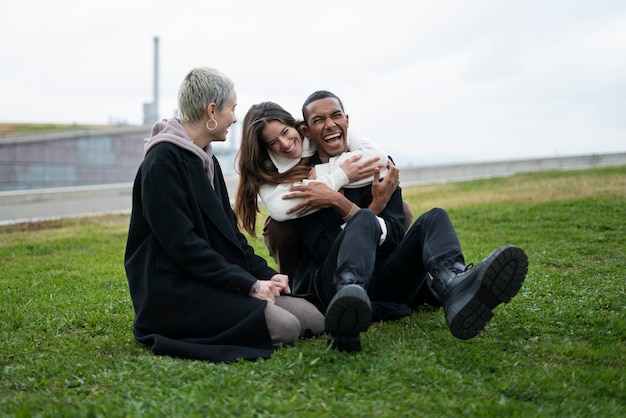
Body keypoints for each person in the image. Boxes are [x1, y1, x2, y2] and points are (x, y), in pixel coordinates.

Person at [270, 90, 529, 352]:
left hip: (386, 278)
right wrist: (363, 210)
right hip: (331, 282)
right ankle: (348, 299)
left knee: (434, 216)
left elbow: (394, 234)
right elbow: (323, 248)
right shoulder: (304, 180)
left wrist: (349, 208)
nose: (330, 125)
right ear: (307, 131)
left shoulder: (378, 164)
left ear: (346, 120)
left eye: (336, 115)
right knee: (364, 219)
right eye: (319, 120)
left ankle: (453, 283)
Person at [123, 67, 324, 363]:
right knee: (287, 327)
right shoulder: (162, 162)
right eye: (232, 108)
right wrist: (248, 286)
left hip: (211, 279)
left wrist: (267, 276)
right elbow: (183, 247)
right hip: (174, 290)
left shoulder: (207, 160)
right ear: (212, 110)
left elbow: (231, 239)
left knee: (314, 319)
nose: (234, 117)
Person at [235, 101, 412, 277]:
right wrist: (339, 177)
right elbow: (280, 209)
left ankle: (384, 265)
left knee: (402, 209)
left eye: (285, 132)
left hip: (347, 226)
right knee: (277, 228)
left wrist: (324, 175)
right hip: (315, 239)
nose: (285, 143)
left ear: (296, 126)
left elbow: (379, 160)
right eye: (274, 142)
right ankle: (295, 283)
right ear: (266, 147)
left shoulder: (321, 130)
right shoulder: (265, 167)